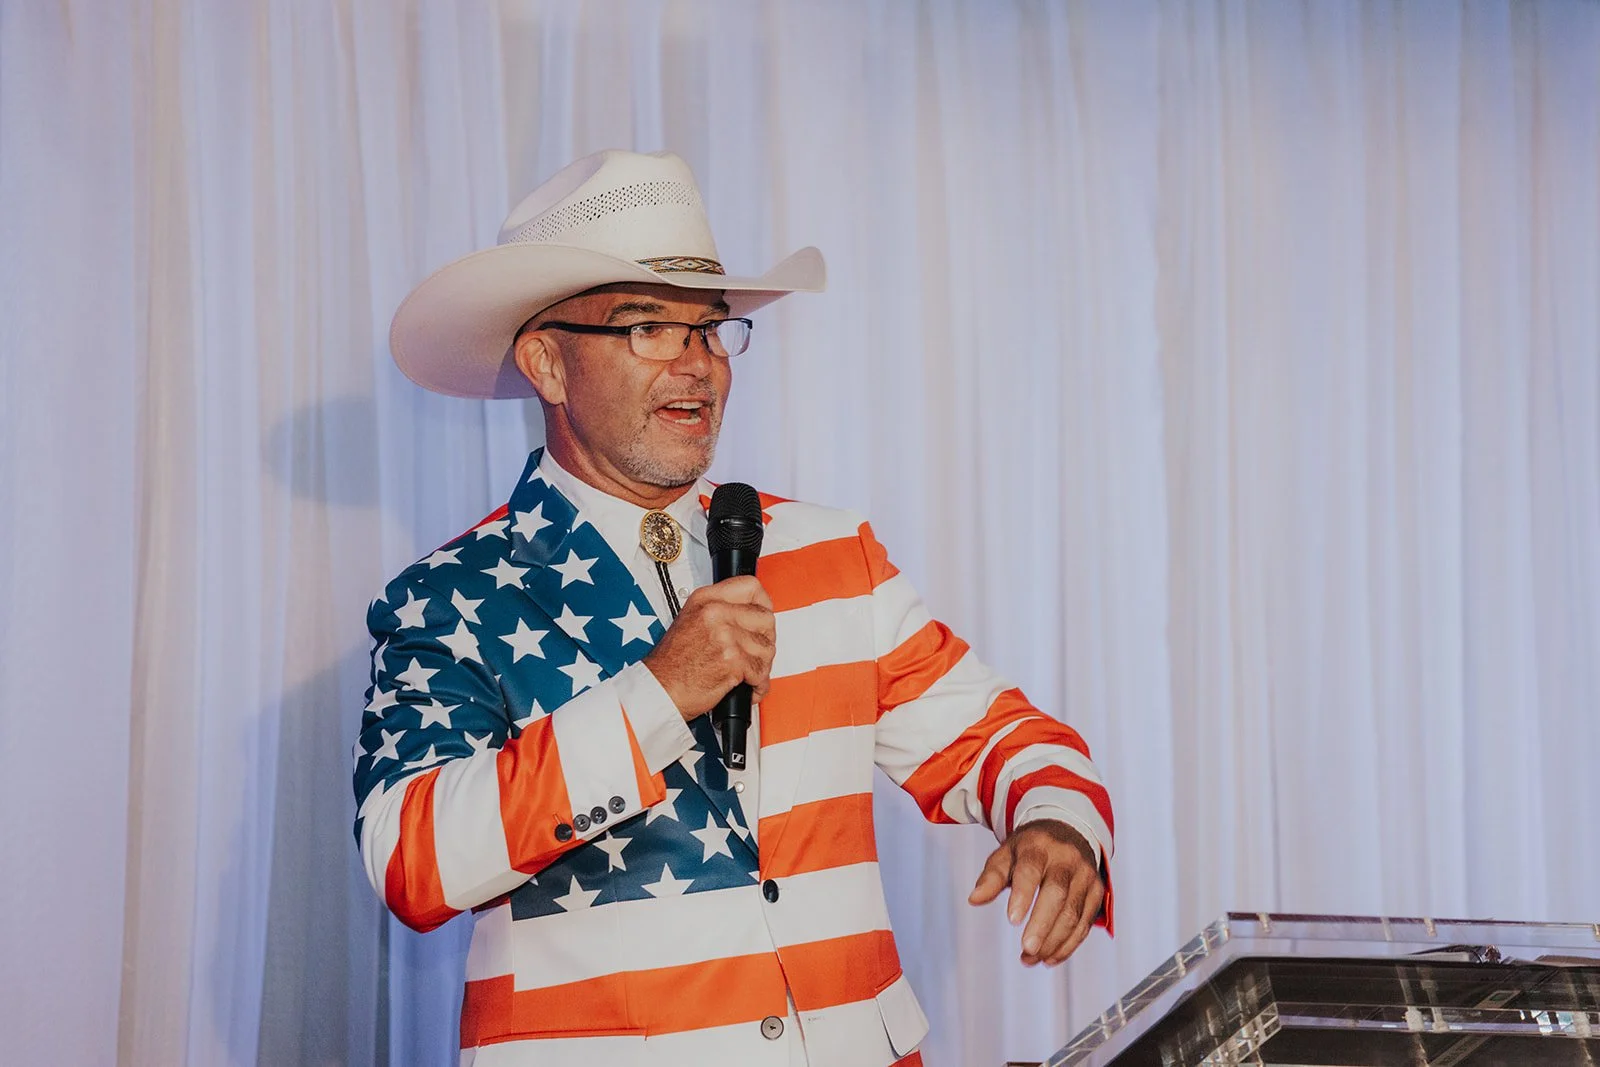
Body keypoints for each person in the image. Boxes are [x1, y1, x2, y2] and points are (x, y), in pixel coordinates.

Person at [355, 149, 1114, 1067]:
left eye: (711, 330)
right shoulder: (451, 596)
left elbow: (1001, 736)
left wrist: (1057, 818)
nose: (698, 365)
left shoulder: (832, 552)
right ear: (547, 363)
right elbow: (411, 860)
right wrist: (657, 693)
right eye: (649, 327)